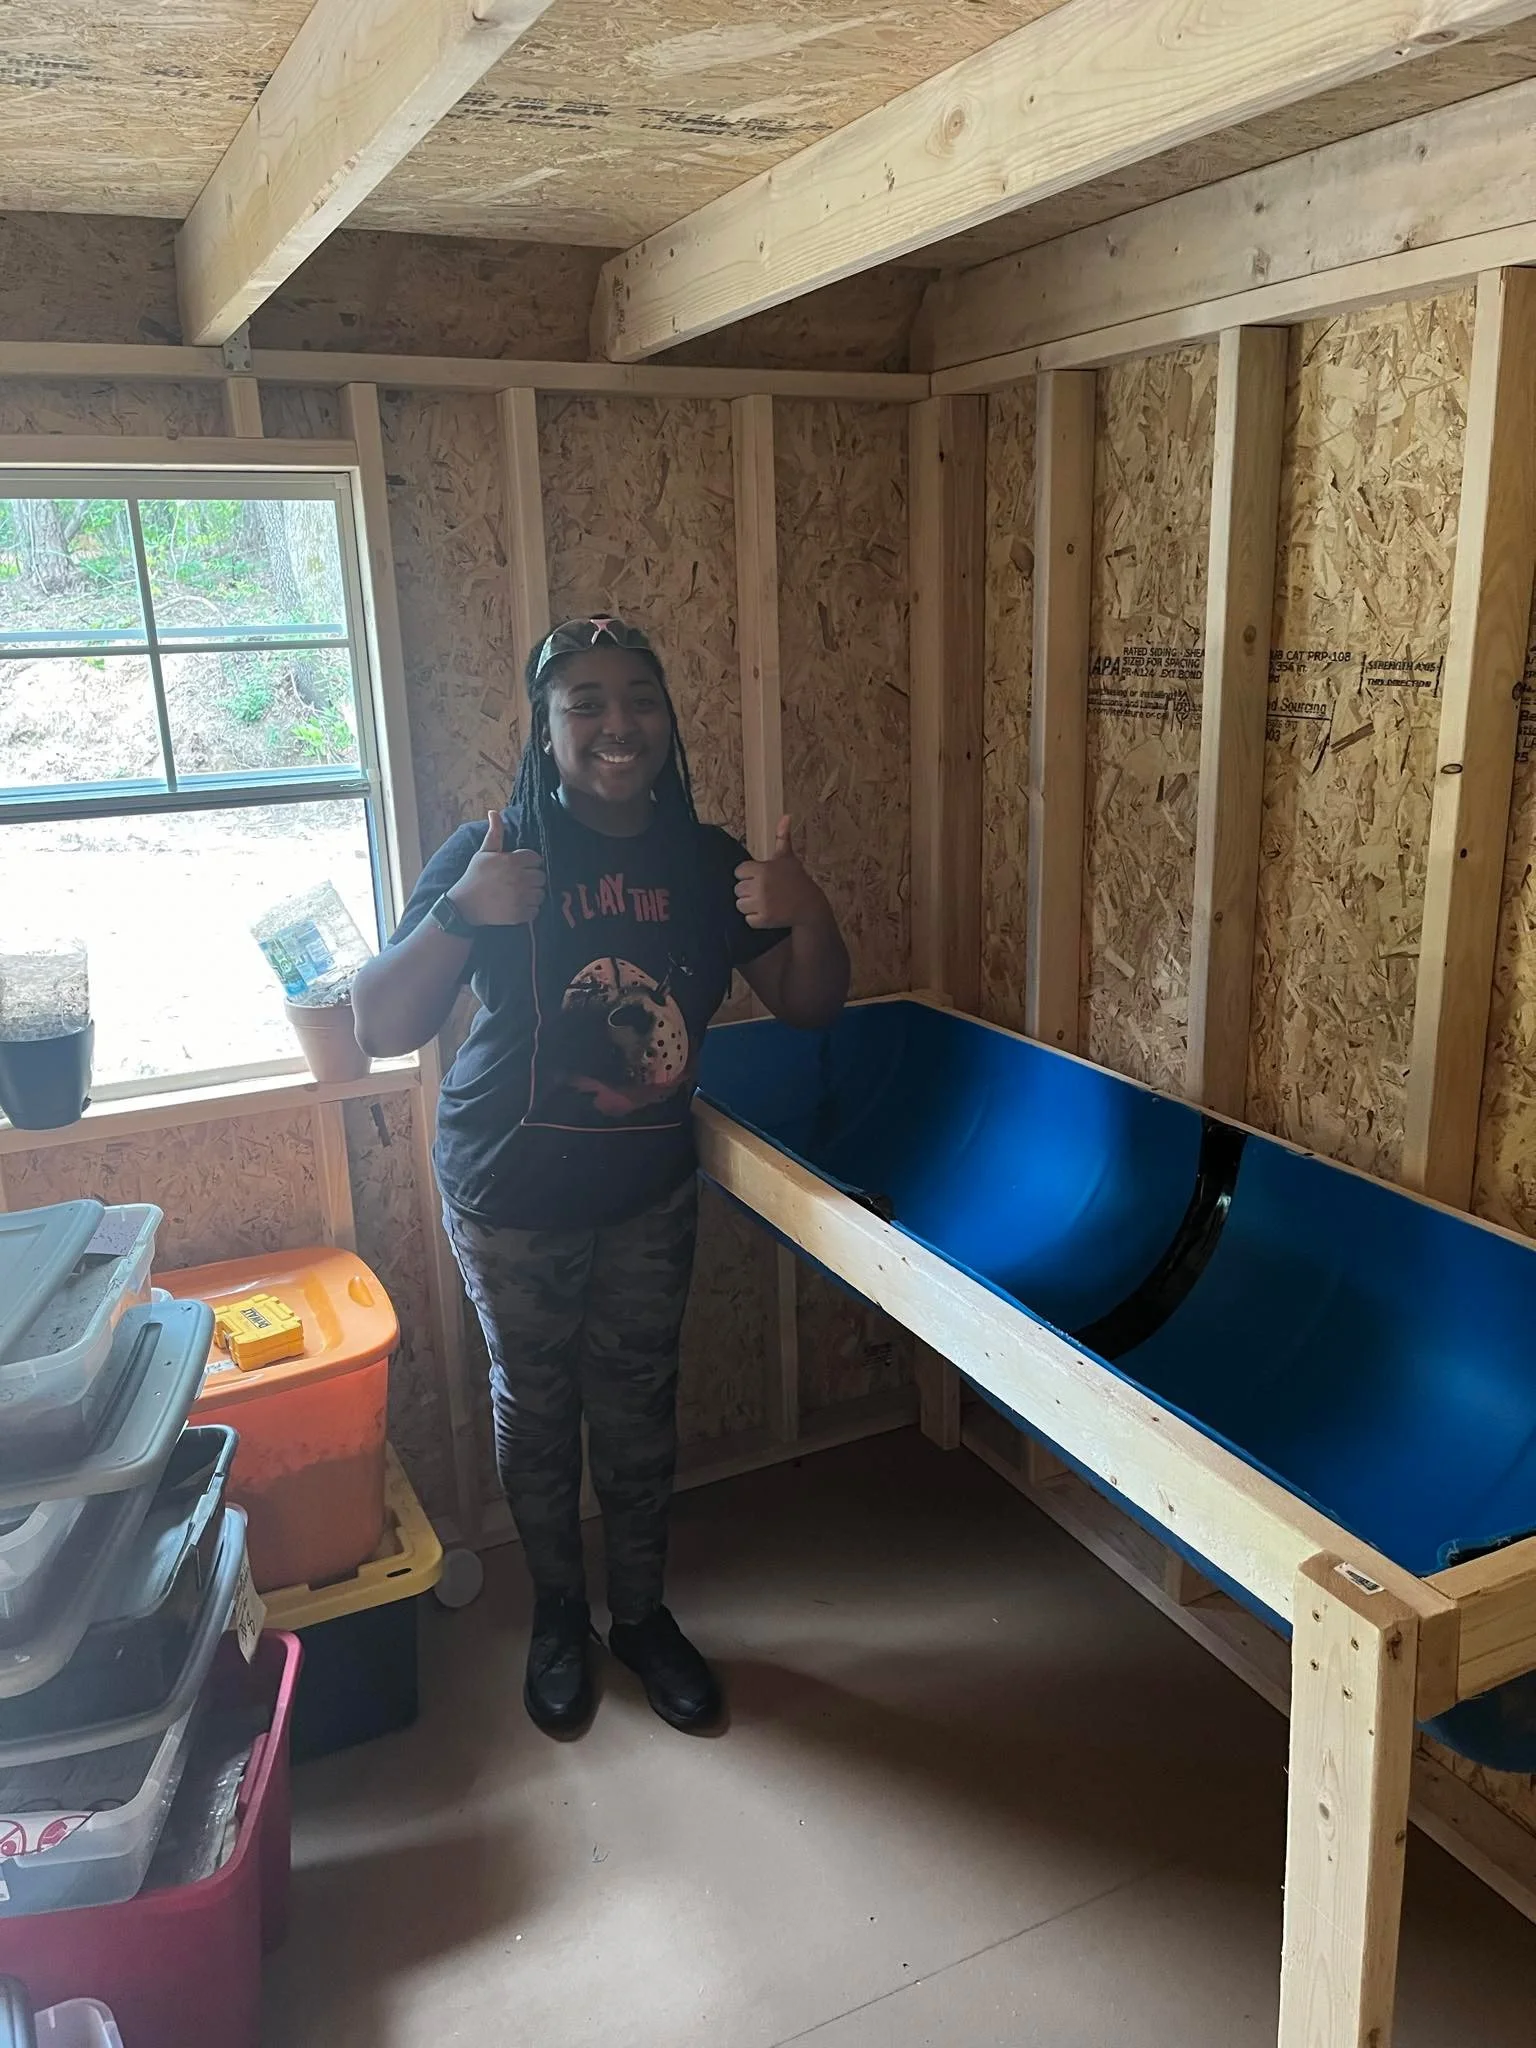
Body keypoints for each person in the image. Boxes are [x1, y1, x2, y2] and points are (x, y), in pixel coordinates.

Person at [353, 616, 849, 1737]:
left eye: (640, 698)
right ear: (548, 727)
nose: (616, 722)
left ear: (668, 722)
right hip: (508, 1189)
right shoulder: (498, 849)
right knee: (537, 1410)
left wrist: (805, 902)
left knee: (636, 1409)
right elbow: (381, 1019)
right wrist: (459, 910)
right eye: (585, 702)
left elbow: (812, 1002)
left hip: (645, 1194)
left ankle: (641, 1616)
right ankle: (557, 1618)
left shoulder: (710, 864)